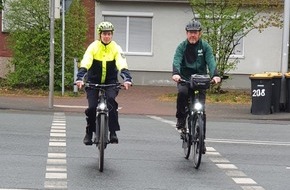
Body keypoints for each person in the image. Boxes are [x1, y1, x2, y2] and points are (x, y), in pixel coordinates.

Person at [75, 21, 132, 145]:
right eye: (105, 34)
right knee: (91, 108)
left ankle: (112, 132)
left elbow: (121, 63)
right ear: (100, 35)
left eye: (109, 34)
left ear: (112, 35)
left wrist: (127, 78)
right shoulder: (93, 47)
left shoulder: (116, 47)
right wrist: (80, 77)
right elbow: (86, 62)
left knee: (111, 101)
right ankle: (89, 132)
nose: (107, 36)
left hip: (110, 82)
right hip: (93, 82)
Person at [172, 20, 221, 146]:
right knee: (182, 93)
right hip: (185, 79)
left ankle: (201, 140)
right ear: (186, 33)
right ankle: (181, 119)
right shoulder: (182, 47)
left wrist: (215, 75)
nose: (192, 35)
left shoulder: (205, 47)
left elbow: (211, 61)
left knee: (201, 111)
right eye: (190, 32)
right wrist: (176, 73)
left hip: (201, 80)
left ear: (200, 34)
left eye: (195, 32)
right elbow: (176, 60)